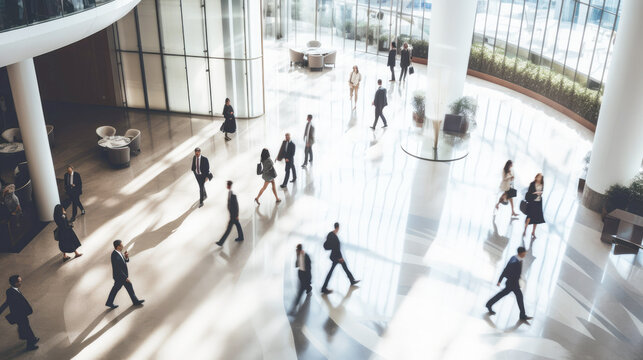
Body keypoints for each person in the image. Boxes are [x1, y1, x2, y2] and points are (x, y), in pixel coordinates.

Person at [486, 247, 533, 321]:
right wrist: (500, 280)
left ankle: (522, 315)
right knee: (516, 297)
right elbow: (506, 269)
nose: (525, 254)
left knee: (515, 297)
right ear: (520, 253)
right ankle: (522, 315)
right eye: (524, 253)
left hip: (514, 283)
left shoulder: (516, 258)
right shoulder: (515, 261)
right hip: (512, 283)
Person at [0, 275, 39, 351]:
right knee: (26, 328)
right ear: (15, 283)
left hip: (20, 314)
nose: (21, 282)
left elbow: (7, 302)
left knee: (25, 328)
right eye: (19, 281)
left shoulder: (11, 290)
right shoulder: (12, 292)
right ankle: (30, 345)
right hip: (20, 315)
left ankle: (32, 338)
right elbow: (10, 303)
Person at [321, 222, 360, 294]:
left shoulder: (330, 234)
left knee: (344, 267)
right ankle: (324, 288)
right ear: (338, 228)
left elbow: (328, 245)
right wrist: (340, 258)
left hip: (335, 256)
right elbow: (336, 248)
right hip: (336, 257)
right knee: (332, 271)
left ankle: (351, 280)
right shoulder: (334, 237)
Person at [106, 240, 145, 309]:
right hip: (120, 276)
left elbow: (124, 262)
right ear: (118, 246)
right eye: (121, 245)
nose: (123, 246)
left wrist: (126, 257)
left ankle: (109, 302)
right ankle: (135, 301)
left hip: (121, 276)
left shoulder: (118, 252)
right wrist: (125, 278)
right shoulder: (114, 255)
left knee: (117, 288)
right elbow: (117, 268)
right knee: (118, 288)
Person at [216, 181, 244, 245]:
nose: (226, 186)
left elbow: (236, 206)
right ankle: (241, 237)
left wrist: (236, 215)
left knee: (228, 229)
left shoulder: (233, 194)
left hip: (233, 215)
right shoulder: (230, 192)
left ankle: (221, 242)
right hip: (233, 214)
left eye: (227, 185)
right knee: (238, 225)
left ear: (229, 186)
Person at [523, 173, 545, 238]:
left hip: (538, 203)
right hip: (532, 202)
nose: (539, 178)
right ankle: (525, 230)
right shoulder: (532, 184)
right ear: (536, 177)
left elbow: (541, 193)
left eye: (540, 177)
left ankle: (533, 232)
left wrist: (540, 193)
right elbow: (529, 192)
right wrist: (535, 193)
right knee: (529, 217)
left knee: (536, 218)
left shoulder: (542, 184)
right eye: (538, 177)